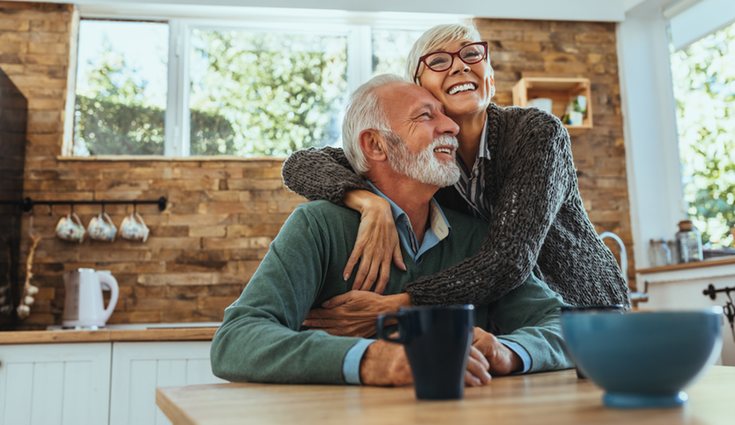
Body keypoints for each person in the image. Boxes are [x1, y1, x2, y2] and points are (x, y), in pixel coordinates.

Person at [210, 75, 573, 386]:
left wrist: (506, 350)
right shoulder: (318, 226)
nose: (451, 127)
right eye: (426, 116)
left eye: (445, 116)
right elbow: (236, 340)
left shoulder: (476, 237)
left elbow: (565, 328)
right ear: (375, 145)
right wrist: (374, 359)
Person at [281, 24, 629, 324]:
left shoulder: (536, 133)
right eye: (438, 61)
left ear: (489, 78)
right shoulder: (425, 161)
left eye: (471, 55)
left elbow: (508, 259)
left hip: (584, 310)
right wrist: (370, 203)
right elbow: (301, 164)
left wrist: (401, 305)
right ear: (418, 87)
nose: (460, 67)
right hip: (508, 319)